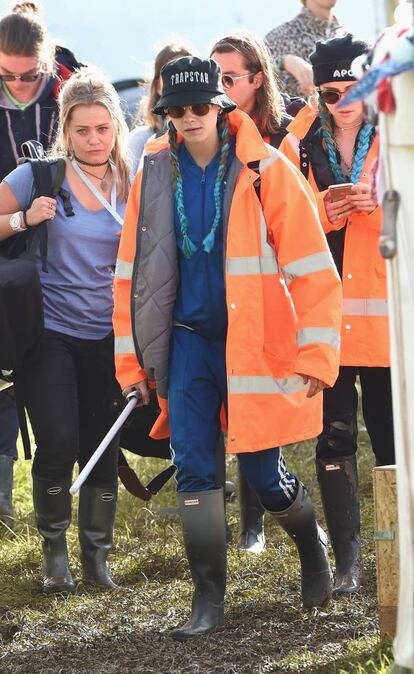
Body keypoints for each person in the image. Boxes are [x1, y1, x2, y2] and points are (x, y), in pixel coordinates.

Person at [113, 55, 343, 639]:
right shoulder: (153, 171)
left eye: (198, 107)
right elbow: (131, 277)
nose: (187, 118)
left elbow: (315, 270)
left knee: (263, 475)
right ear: (162, 113)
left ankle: (312, 550)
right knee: (194, 465)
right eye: (174, 109)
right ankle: (208, 598)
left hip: (255, 344)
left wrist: (317, 354)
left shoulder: (265, 167)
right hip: (187, 345)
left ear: (220, 106)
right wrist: (130, 364)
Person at [0, 67, 130, 593]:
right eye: (82, 130)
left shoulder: (138, 178)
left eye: (102, 128)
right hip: (49, 330)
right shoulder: (39, 176)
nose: (94, 139)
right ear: (67, 131)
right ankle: (55, 553)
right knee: (58, 440)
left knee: (102, 444)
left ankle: (97, 556)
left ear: (116, 127)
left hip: (112, 334)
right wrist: (23, 219)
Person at [279, 34, 394, 596]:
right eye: (329, 91)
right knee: (334, 438)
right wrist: (321, 211)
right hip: (324, 316)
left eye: (355, 88)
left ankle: (400, 554)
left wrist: (390, 201)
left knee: (395, 440)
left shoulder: (401, 130)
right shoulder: (297, 142)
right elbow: (275, 220)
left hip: (387, 317)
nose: (343, 100)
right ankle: (348, 563)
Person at [210, 31, 306, 554]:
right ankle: (251, 526)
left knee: (259, 409)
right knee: (237, 407)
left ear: (257, 80)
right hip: (224, 294)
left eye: (229, 78)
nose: (219, 88)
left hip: (274, 293)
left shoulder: (280, 137)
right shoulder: (203, 134)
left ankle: (275, 517)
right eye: (214, 75)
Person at [0, 1, 73, 533]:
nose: (21, 85)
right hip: (5, 245)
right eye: (7, 75)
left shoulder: (71, 89)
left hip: (66, 251)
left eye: (31, 75)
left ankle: (68, 482)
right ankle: (2, 498)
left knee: (57, 366)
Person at [128, 42, 192, 175]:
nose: (178, 82)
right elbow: (131, 192)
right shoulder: (140, 140)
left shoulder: (209, 137)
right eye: (171, 76)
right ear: (158, 86)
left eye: (185, 75)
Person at [265, 0, 342, 99]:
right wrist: (284, 61)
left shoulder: (347, 38)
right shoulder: (279, 35)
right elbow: (258, 77)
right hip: (298, 113)